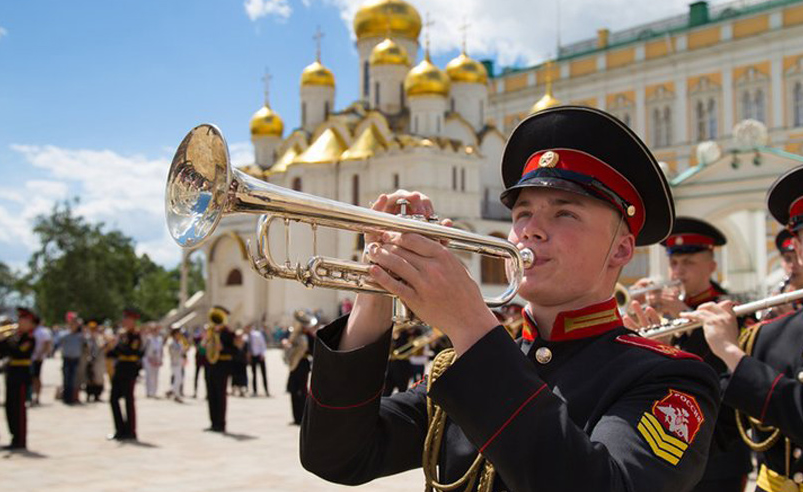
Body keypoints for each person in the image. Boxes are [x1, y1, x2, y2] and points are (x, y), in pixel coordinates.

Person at [299, 106, 721, 491]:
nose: (530, 230)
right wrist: (377, 284)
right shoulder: (469, 362)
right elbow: (338, 456)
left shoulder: (669, 378)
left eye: (565, 212)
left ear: (621, 250)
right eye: (522, 213)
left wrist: (470, 322)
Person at [677, 165, 803, 492]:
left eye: (687, 262)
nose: (677, 272)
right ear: (799, 248)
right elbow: (712, 432)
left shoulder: (747, 343)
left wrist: (732, 354)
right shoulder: (768, 336)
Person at [629, 217, 752, 492]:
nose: (678, 271)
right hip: (671, 444)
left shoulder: (730, 308)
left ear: (711, 266)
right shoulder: (664, 310)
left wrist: (685, 316)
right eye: (674, 263)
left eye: (688, 262)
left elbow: (726, 366)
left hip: (720, 451)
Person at [2, 307, 37, 450]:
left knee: (19, 409)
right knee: (10, 407)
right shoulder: (15, 336)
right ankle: (13, 437)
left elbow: (18, 352)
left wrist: (7, 339)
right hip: (11, 374)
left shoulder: (30, 338)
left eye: (23, 320)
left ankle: (20, 439)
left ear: (29, 322)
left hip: (21, 375)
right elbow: (3, 352)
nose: (19, 322)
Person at [107, 308, 144, 441]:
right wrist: (110, 346)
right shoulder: (122, 335)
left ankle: (130, 431)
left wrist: (118, 345)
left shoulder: (135, 336)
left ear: (133, 321)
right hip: (120, 369)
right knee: (113, 399)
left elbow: (131, 352)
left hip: (129, 370)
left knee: (129, 400)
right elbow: (113, 353)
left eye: (127, 319)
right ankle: (120, 429)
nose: (124, 321)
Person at [204, 306, 235, 432]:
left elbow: (234, 351)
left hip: (222, 366)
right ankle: (213, 422)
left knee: (220, 395)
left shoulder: (228, 333)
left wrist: (223, 348)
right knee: (211, 394)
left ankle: (221, 423)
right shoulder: (210, 332)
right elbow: (204, 348)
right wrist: (205, 343)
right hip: (211, 365)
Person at [283, 310, 315, 425]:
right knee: (293, 390)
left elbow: (314, 351)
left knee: (302, 391)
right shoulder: (293, 334)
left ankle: (303, 417)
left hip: (303, 364)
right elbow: (288, 349)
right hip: (294, 365)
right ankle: (296, 417)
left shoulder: (309, 337)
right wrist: (287, 345)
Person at [56, 316, 85, 405]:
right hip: (67, 358)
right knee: (66, 378)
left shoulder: (80, 336)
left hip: (75, 359)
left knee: (73, 379)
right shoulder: (64, 335)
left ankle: (72, 397)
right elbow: (57, 343)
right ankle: (66, 397)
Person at [84, 320, 108, 402]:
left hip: (98, 361)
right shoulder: (86, 338)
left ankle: (97, 395)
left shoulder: (100, 338)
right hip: (88, 360)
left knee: (98, 378)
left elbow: (103, 347)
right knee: (89, 378)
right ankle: (88, 394)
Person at [30, 318, 52, 406]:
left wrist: (40, 355)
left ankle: (37, 397)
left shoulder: (43, 331)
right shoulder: (33, 330)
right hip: (32, 358)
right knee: (32, 378)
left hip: (37, 358)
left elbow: (47, 343)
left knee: (36, 377)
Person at [167, 327, 188, 403]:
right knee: (178, 379)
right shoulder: (171, 342)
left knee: (179, 379)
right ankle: (176, 394)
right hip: (175, 363)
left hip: (179, 362)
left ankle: (172, 391)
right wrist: (182, 350)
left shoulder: (179, 342)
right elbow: (173, 353)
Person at [247, 324, 269, 397]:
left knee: (263, 374)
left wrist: (263, 354)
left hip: (259, 356)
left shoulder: (257, 335)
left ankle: (266, 391)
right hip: (253, 356)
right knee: (254, 374)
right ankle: (255, 391)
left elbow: (263, 344)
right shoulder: (247, 336)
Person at [142, 324, 163, 398]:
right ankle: (148, 391)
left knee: (155, 376)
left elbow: (161, 350)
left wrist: (161, 359)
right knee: (148, 376)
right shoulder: (148, 338)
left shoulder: (160, 339)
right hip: (148, 359)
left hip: (157, 359)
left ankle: (154, 391)